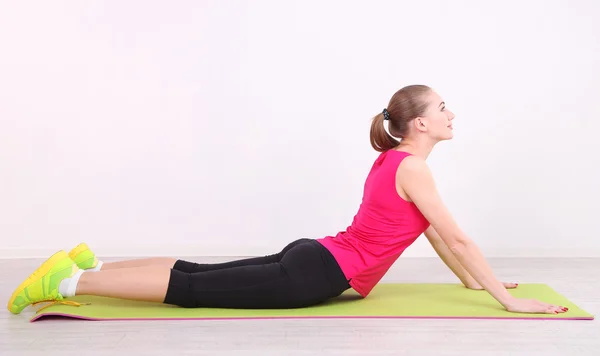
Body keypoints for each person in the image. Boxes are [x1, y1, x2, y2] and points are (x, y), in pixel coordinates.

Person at [8, 85, 568, 315]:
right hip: (318, 275)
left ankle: (91, 265)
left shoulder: (395, 161)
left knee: (200, 272)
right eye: (444, 107)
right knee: (193, 287)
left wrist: (474, 283)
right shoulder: (415, 169)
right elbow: (457, 235)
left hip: (317, 254)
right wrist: (506, 299)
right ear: (420, 122)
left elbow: (431, 233)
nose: (451, 114)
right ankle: (65, 282)